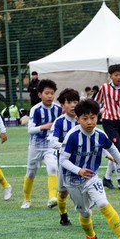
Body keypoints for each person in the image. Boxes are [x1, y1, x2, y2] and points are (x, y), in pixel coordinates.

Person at [59, 99, 120, 239]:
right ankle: (91, 237)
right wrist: (78, 170)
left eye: (93, 118)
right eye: (85, 118)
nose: (89, 122)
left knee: (103, 203)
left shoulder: (100, 135)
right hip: (72, 181)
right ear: (78, 119)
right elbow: (63, 160)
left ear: (97, 117)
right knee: (85, 212)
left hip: (91, 178)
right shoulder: (72, 136)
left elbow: (113, 149)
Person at [21, 78, 62, 209]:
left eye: (52, 93)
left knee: (53, 167)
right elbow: (30, 130)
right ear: (40, 95)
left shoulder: (58, 109)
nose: (50, 96)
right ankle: (26, 199)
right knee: (31, 172)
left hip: (50, 145)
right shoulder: (35, 109)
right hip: (36, 146)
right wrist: (43, 127)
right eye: (47, 93)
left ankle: (52, 198)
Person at [48, 88, 81, 226]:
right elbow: (52, 142)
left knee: (83, 192)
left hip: (81, 162)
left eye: (75, 101)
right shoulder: (60, 122)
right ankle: (63, 216)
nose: (73, 105)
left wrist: (106, 153)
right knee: (62, 194)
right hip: (64, 163)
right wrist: (68, 147)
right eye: (69, 102)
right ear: (62, 105)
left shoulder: (83, 120)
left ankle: (85, 218)